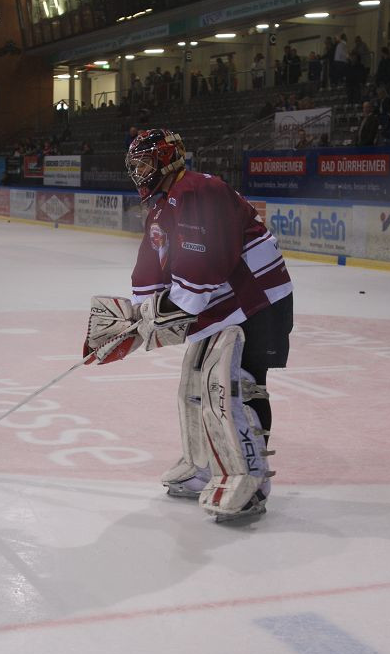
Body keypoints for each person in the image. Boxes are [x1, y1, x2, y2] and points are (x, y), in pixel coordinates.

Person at [83, 128, 293, 523]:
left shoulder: (199, 192)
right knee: (196, 384)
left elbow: (203, 268)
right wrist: (136, 315)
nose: (138, 170)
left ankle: (249, 480)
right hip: (223, 305)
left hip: (256, 304)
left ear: (166, 160)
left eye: (144, 162)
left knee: (235, 387)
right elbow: (151, 265)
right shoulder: (164, 204)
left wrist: (154, 317)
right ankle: (204, 465)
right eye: (136, 164)